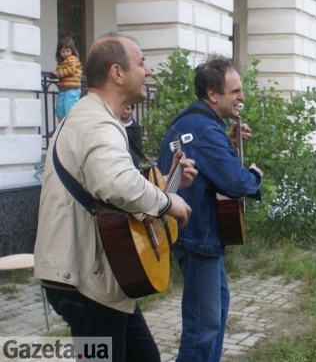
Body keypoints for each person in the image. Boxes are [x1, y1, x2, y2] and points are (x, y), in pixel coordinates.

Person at [34, 33, 197, 362]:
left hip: (102, 275)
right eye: (141, 63)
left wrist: (167, 182)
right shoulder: (97, 124)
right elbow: (117, 184)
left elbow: (107, 189)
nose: (148, 72)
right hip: (85, 279)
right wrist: (169, 202)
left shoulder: (94, 118)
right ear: (117, 73)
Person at [157, 54, 263, 362]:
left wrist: (226, 142)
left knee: (216, 310)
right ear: (212, 95)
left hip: (198, 234)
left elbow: (208, 166)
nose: (242, 97)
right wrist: (255, 175)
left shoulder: (197, 123)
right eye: (235, 92)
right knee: (203, 325)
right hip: (197, 235)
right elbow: (237, 183)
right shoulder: (203, 129)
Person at [51, 36, 83, 123]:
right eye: (63, 51)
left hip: (72, 89)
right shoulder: (61, 61)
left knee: (68, 109)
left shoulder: (73, 59)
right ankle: (61, 127)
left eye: (68, 51)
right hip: (63, 89)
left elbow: (71, 70)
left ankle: (68, 127)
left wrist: (59, 73)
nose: (65, 53)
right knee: (60, 109)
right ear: (59, 51)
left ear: (72, 50)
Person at [120, 104, 144, 168]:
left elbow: (138, 147)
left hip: (131, 160)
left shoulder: (136, 128)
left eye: (128, 109)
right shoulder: (114, 124)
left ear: (132, 110)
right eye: (123, 108)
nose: (125, 111)